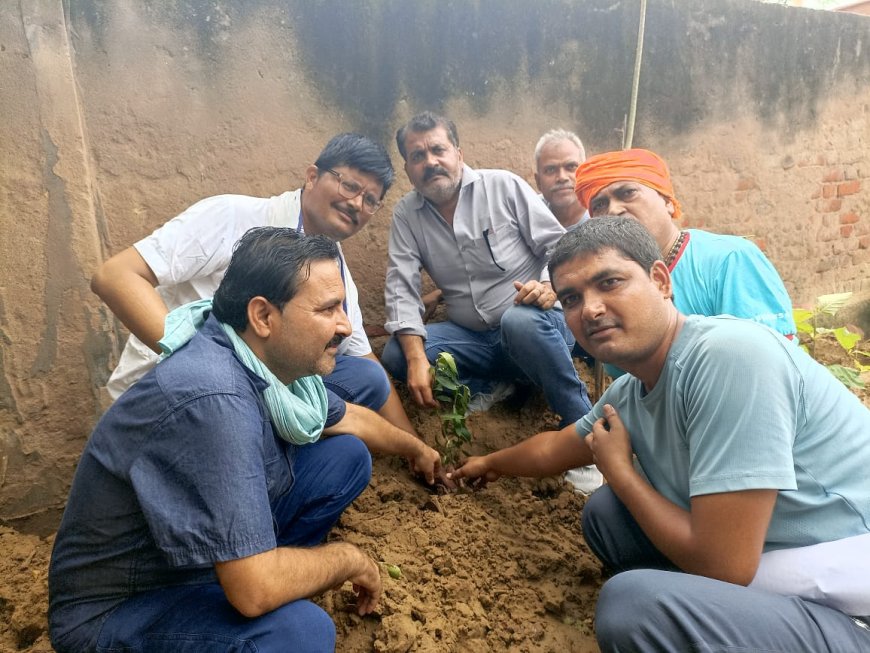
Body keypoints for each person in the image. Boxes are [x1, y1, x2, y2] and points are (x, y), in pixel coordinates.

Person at [451, 217, 870, 652]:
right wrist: (489, 463)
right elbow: (558, 447)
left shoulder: (730, 358)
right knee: (606, 514)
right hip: (770, 562)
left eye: (610, 282)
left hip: (850, 595)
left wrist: (621, 473)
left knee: (631, 608)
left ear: (659, 280)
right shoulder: (632, 389)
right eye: (572, 298)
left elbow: (725, 567)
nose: (590, 309)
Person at [50, 228, 442, 653]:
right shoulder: (216, 398)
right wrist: (349, 559)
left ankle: (260, 568)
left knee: (345, 456)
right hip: (121, 609)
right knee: (300, 633)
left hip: (197, 560)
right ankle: (257, 576)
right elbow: (252, 593)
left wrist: (417, 448)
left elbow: (352, 419)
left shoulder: (259, 360)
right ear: (263, 317)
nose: (346, 326)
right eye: (329, 309)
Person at [92, 132, 417, 436]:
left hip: (250, 392)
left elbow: (361, 357)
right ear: (312, 176)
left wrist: (415, 443)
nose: (357, 204)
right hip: (174, 389)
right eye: (349, 185)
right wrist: (207, 369)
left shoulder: (334, 267)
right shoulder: (233, 216)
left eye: (371, 200)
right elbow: (115, 277)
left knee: (365, 381)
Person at [381, 111, 592, 428]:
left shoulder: (503, 187)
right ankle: (493, 386)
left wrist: (549, 287)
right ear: (409, 171)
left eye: (439, 150)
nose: (430, 162)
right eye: (418, 156)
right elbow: (401, 289)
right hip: (472, 341)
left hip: (534, 327)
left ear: (459, 154)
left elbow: (558, 245)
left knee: (519, 321)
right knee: (398, 354)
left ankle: (582, 425)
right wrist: (415, 360)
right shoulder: (407, 216)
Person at [574, 148, 796, 355]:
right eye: (600, 205)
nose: (614, 209)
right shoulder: (607, 286)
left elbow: (769, 360)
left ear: (668, 202)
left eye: (628, 193)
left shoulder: (729, 259)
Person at [533, 128, 589, 230]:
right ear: (538, 182)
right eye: (550, 170)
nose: (562, 177)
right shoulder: (529, 216)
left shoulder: (603, 215)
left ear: (586, 172)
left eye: (571, 167)